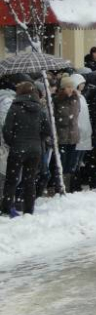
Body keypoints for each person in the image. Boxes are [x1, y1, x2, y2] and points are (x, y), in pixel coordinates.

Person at [1, 82, 50, 216]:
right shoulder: (39, 108)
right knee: (30, 180)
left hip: (18, 148)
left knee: (11, 180)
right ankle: (29, 209)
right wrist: (38, 140)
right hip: (35, 150)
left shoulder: (15, 107)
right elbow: (47, 130)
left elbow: (7, 130)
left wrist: (13, 142)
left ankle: (6, 208)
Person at [53, 76, 80, 193]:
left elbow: (77, 114)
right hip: (61, 136)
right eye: (68, 87)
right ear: (63, 88)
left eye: (72, 87)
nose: (71, 89)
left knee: (71, 163)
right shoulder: (57, 100)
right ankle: (60, 186)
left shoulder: (76, 98)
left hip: (73, 136)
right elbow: (54, 117)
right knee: (61, 163)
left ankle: (68, 187)